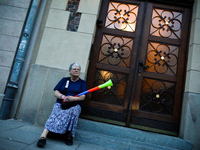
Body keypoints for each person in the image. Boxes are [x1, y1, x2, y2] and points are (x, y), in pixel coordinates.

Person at [37, 62, 87, 147]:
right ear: (70, 71)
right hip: (62, 102)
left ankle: (69, 136)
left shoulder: (82, 83)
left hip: (75, 104)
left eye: (78, 69)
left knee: (74, 111)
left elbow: (83, 97)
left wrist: (72, 98)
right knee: (56, 110)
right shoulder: (64, 80)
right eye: (74, 69)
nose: (76, 71)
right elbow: (56, 92)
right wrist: (63, 97)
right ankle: (43, 136)